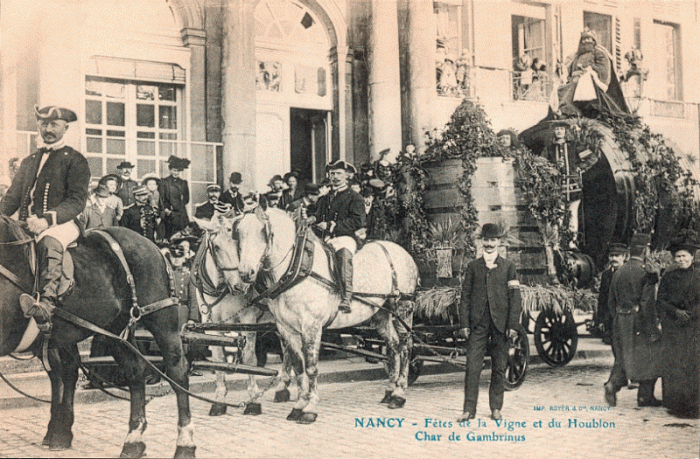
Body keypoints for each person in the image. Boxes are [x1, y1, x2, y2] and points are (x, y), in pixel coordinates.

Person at [0, 105, 90, 331]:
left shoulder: (75, 159)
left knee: (49, 243)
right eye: (44, 124)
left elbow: (77, 200)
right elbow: (11, 198)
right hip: (26, 222)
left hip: (62, 223)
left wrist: (46, 220)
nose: (48, 129)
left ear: (65, 128)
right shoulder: (30, 160)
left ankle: (46, 305)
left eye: (54, 124)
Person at [457, 223, 521, 422]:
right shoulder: (473, 267)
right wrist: (464, 324)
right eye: (486, 240)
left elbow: (515, 298)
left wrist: (512, 325)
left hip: (501, 325)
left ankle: (496, 408)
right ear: (481, 241)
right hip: (478, 324)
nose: (490, 244)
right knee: (472, 367)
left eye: (493, 240)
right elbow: (465, 296)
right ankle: (468, 410)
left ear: (499, 242)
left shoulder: (509, 267)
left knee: (499, 367)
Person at [603, 234, 662, 408]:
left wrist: (619, 319)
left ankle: (612, 385)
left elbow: (610, 301)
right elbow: (647, 303)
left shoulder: (618, 272)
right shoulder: (646, 273)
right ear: (646, 250)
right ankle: (645, 396)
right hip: (639, 321)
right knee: (652, 355)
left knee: (623, 357)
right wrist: (652, 329)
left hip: (621, 321)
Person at [311, 160, 365, 313]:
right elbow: (318, 215)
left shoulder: (355, 197)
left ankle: (346, 297)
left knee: (343, 256)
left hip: (345, 238)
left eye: (339, 173)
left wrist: (330, 225)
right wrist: (311, 219)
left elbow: (357, 221)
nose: (335, 177)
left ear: (347, 176)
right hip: (326, 239)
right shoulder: (325, 198)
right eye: (332, 173)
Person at [656, 232, 700, 418]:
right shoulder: (669, 276)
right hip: (674, 329)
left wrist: (693, 314)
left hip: (695, 327)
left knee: (693, 365)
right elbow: (661, 301)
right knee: (674, 364)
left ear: (692, 256)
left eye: (684, 256)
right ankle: (675, 404)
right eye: (678, 257)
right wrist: (676, 313)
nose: (681, 259)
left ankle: (694, 404)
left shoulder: (698, 275)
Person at [541, 120, 597, 248]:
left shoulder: (575, 146)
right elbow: (541, 163)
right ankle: (557, 242)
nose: (559, 131)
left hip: (573, 185)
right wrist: (550, 170)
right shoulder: (549, 148)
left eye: (561, 129)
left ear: (566, 131)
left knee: (572, 213)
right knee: (558, 214)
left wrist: (579, 168)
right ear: (554, 132)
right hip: (556, 187)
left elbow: (592, 158)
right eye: (557, 129)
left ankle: (572, 241)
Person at [557, 29, 629, 117]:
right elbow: (570, 71)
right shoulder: (576, 56)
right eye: (584, 39)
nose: (586, 41)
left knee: (577, 89)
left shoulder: (598, 53)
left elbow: (603, 67)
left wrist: (590, 70)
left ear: (593, 40)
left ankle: (576, 112)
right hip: (574, 81)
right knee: (561, 90)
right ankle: (567, 112)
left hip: (591, 83)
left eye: (589, 39)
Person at [595, 243, 629, 344]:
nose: (613, 258)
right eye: (611, 255)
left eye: (617, 256)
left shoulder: (628, 274)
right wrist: (600, 320)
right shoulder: (606, 275)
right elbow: (602, 298)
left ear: (624, 257)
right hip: (610, 320)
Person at [160, 155, 190, 239]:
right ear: (170, 170)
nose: (176, 173)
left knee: (182, 236)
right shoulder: (164, 182)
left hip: (181, 214)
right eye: (174, 170)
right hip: (169, 213)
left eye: (178, 171)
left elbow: (186, 199)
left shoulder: (183, 183)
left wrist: (180, 207)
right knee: (169, 236)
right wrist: (166, 209)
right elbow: (162, 198)